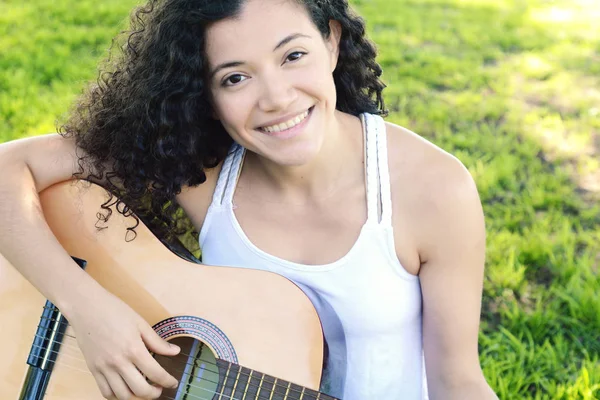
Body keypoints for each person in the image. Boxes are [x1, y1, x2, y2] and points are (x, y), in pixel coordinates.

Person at [0, 0, 499, 399]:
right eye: (235, 78)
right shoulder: (203, 178)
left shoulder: (432, 191)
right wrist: (91, 313)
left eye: (293, 55)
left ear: (332, 42)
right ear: (206, 97)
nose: (276, 98)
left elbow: (457, 383)